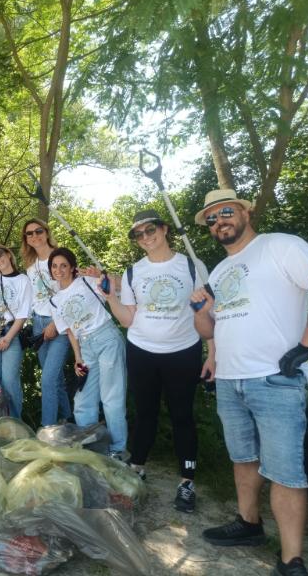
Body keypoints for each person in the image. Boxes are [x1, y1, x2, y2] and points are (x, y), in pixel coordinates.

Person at [190, 189, 308, 576]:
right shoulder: (219, 272)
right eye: (212, 218)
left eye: (226, 212)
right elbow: (208, 330)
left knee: (286, 472)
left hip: (275, 379)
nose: (220, 221)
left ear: (245, 212)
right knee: (243, 458)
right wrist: (200, 310)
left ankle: (291, 560)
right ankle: (248, 523)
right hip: (229, 379)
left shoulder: (280, 245)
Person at [97, 209, 213, 513]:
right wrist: (110, 298)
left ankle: (187, 481)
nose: (145, 237)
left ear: (164, 230)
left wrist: (213, 353)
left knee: (182, 416)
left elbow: (209, 313)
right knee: (145, 413)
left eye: (150, 230)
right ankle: (137, 468)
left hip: (183, 350)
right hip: (142, 350)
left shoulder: (192, 265)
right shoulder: (133, 272)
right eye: (139, 234)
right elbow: (127, 320)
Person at [48, 247, 128, 459]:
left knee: (111, 398)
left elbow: (121, 286)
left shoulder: (86, 282)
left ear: (72, 267)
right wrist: (78, 357)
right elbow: (70, 331)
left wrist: (101, 275)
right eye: (54, 266)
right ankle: (92, 448)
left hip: (106, 338)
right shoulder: (55, 300)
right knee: (83, 401)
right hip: (85, 348)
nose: (59, 270)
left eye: (63, 265)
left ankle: (117, 450)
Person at [20, 218, 72, 426]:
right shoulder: (31, 265)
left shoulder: (60, 257)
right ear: (26, 239)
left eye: (38, 231)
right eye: (29, 233)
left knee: (48, 379)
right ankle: (67, 420)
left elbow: (71, 293)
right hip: (38, 323)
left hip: (58, 323)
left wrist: (56, 323)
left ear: (47, 232)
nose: (34, 236)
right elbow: (32, 297)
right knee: (55, 379)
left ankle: (46, 429)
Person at [0, 244, 32, 418]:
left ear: (8, 254)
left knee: (10, 381)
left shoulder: (23, 280)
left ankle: (14, 422)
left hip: (11, 332)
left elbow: (23, 314)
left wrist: (8, 338)